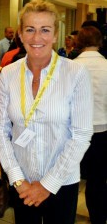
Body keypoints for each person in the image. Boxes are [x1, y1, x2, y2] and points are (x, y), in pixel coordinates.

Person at [0, 0, 93, 224]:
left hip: (62, 183)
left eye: (45, 30)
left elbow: (81, 135)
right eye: (30, 29)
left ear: (56, 34)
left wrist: (47, 185)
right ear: (20, 33)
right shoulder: (8, 74)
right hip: (22, 183)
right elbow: (1, 130)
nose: (37, 38)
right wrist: (18, 180)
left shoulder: (75, 74)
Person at [74, 26, 107, 224]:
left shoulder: (70, 66)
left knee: (72, 178)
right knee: (98, 179)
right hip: (103, 131)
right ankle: (98, 218)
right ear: (100, 42)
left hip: (76, 131)